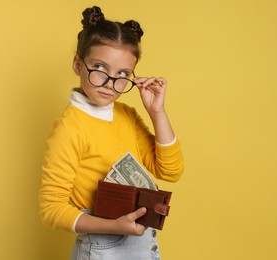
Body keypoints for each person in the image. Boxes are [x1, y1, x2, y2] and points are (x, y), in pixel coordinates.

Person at [39, 6, 184, 260]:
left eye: (122, 74)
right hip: (101, 249)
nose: (110, 82)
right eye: (99, 67)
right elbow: (51, 208)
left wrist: (157, 112)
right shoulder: (70, 128)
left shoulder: (127, 115)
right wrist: (112, 226)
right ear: (77, 64)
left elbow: (170, 170)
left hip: (141, 248)